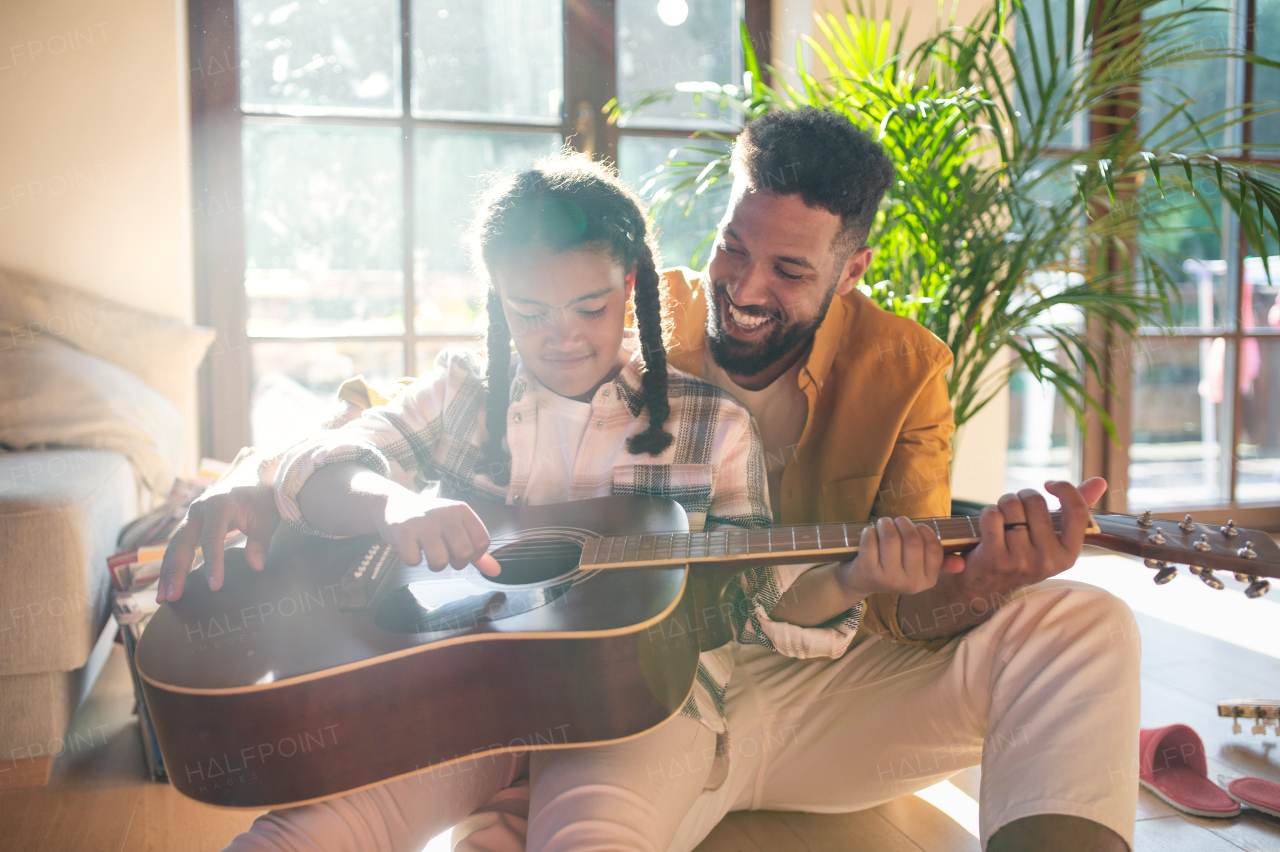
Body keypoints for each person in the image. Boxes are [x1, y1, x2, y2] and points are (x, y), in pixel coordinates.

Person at [161, 110, 1138, 852]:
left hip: (727, 679)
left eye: (788, 270)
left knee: (1087, 622)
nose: (744, 289)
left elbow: (885, 609)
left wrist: (969, 576)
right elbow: (376, 421)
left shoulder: (895, 375)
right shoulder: (605, 305)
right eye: (730, 247)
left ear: (850, 269)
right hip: (529, 688)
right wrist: (253, 484)